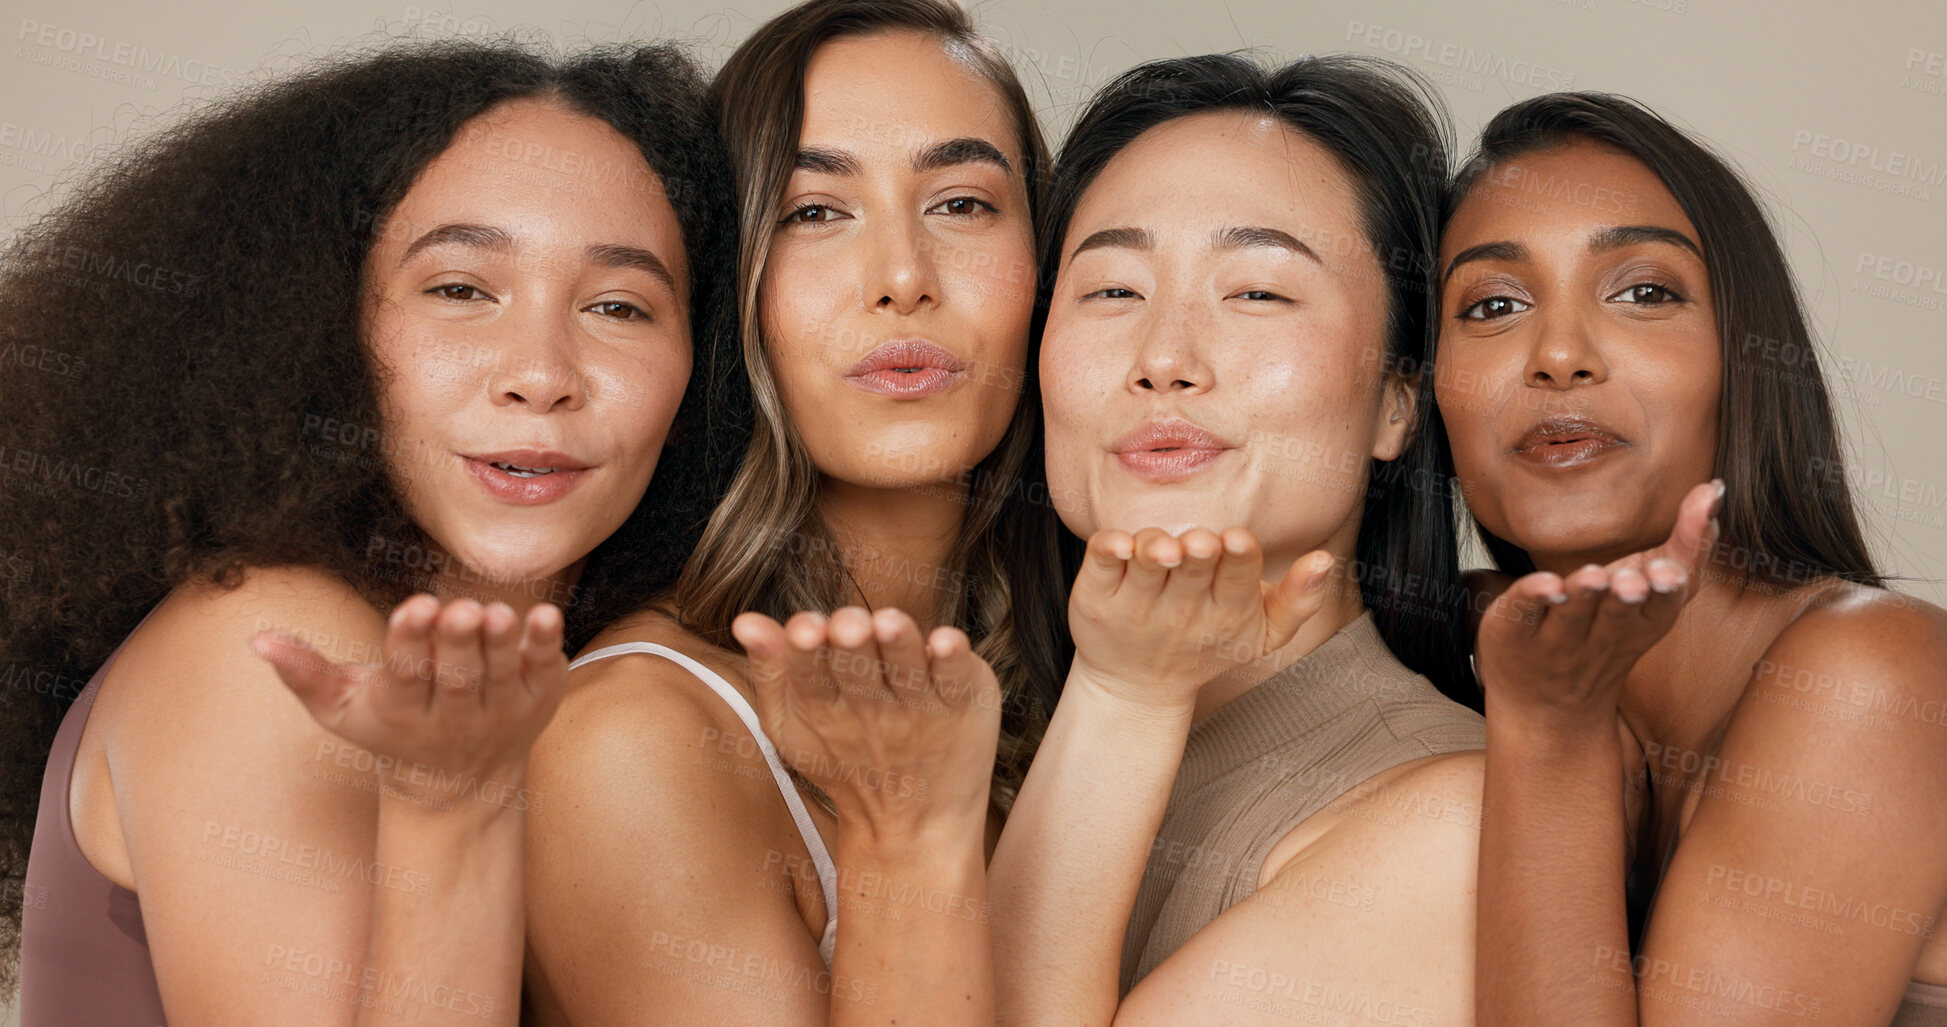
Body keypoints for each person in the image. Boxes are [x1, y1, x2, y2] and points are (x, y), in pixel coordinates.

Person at [4, 38, 743, 1025]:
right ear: (324, 325)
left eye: (618, 305)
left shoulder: (626, 677)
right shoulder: (271, 643)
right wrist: (457, 806)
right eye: (460, 289)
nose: (542, 370)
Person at [517, 1, 1069, 1022]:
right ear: (728, 285)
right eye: (813, 211)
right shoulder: (637, 739)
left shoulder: (1081, 679)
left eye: (961, 203)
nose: (903, 278)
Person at [1442, 92, 1947, 1024]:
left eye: (1644, 292)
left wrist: (1549, 739)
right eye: (1493, 304)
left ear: (1743, 356)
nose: (1557, 354)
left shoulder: (1868, 675)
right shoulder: (1485, 661)